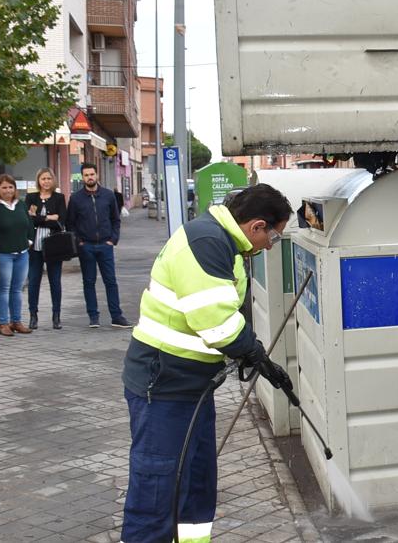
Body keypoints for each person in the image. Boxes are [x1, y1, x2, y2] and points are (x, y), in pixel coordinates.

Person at [120, 184, 293, 543]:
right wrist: (254, 352)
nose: (270, 246)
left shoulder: (226, 243)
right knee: (158, 483)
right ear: (257, 226)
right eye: (273, 237)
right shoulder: (207, 242)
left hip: (192, 384)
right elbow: (217, 323)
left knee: (196, 480)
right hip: (163, 382)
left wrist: (252, 352)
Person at [66, 163, 130, 328]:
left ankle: (116, 316)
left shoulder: (108, 195)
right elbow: (70, 224)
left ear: (97, 175)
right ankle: (93, 317)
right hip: (86, 246)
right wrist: (79, 242)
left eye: (92, 174)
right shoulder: (76, 198)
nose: (90, 177)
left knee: (111, 281)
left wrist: (113, 239)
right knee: (89, 281)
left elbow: (116, 220)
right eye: (86, 175)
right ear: (82, 177)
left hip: (105, 245)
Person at [0, 174, 34, 336]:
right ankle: (3, 323)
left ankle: (16, 321)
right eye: (4, 187)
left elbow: (29, 224)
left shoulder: (20, 204)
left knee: (17, 289)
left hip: (22, 253)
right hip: (3, 254)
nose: (8, 190)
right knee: (2, 289)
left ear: (15, 189)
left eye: (10, 187)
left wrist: (29, 241)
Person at [25, 168, 66, 329]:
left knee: (55, 281)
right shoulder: (31, 197)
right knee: (34, 281)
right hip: (34, 247)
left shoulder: (59, 198)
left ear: (53, 180)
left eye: (49, 178)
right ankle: (33, 315)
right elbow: (30, 221)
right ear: (38, 180)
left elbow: (62, 220)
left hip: (53, 245)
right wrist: (49, 217)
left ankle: (56, 315)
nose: (46, 181)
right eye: (43, 178)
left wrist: (40, 218)